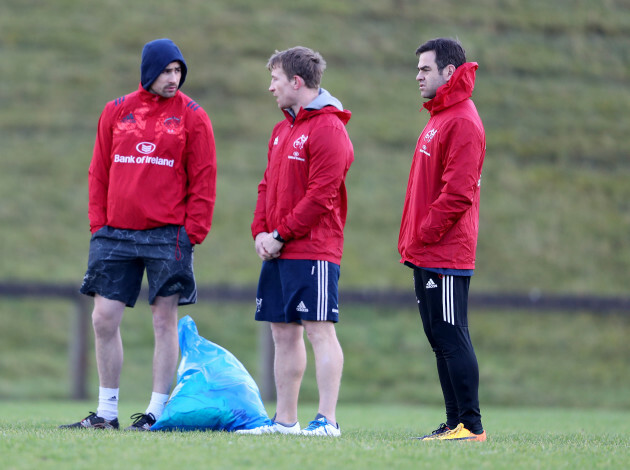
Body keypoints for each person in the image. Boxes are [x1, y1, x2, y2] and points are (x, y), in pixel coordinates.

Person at [60, 38, 217, 431]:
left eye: (179, 71)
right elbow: (99, 171)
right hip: (114, 234)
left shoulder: (194, 117)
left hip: (168, 236)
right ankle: (107, 413)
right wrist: (99, 225)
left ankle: (156, 413)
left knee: (164, 320)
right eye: (166, 71)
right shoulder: (115, 111)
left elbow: (204, 178)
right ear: (149, 71)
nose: (174, 78)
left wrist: (193, 231)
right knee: (103, 319)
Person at [237, 46, 353, 437]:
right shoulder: (282, 129)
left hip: (313, 249)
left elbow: (322, 196)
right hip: (276, 250)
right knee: (282, 332)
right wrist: (259, 232)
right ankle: (285, 421)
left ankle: (328, 421)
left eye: (275, 79)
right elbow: (266, 185)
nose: (270, 87)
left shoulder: (329, 129)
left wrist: (280, 234)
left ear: (296, 82)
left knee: (319, 330)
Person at [398, 38, 487, 441]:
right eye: (417, 69)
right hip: (427, 250)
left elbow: (458, 194)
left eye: (425, 69)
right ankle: (453, 424)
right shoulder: (439, 117)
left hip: (446, 251)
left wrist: (424, 235)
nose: (418, 75)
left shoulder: (463, 121)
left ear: (450, 72)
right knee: (439, 338)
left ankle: (471, 426)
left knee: (452, 334)